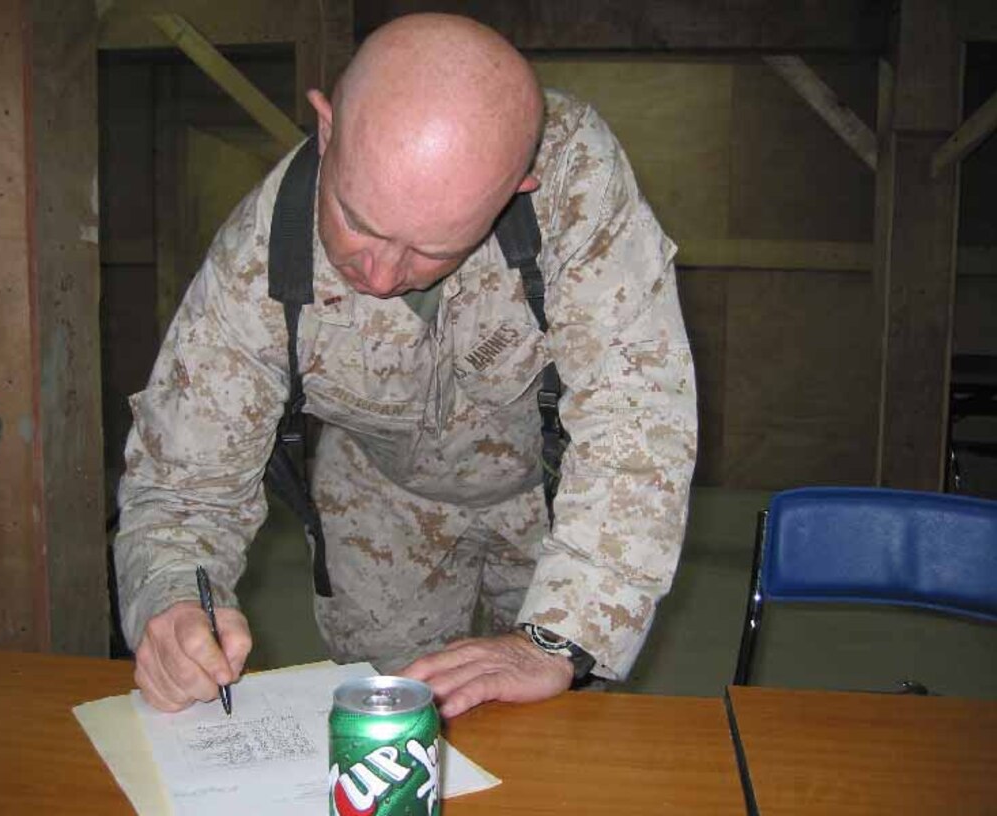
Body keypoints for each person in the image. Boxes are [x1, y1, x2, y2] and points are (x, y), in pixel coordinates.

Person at [114, 12, 697, 719]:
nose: (385, 277)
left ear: (519, 188)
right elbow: (183, 487)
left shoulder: (575, 178)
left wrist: (562, 635)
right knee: (387, 726)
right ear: (327, 129)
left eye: (435, 250)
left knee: (559, 721)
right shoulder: (255, 265)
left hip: (553, 490)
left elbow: (636, 413)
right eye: (360, 223)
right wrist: (174, 597)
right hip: (379, 497)